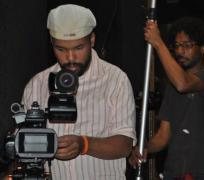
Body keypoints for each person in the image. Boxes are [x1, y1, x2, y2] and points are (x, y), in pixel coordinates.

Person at [21, 4, 136, 180]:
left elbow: (125, 144)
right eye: (61, 49)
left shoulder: (116, 80)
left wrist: (84, 144)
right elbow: (24, 142)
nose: (71, 58)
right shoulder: (37, 84)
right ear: (51, 43)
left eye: (78, 48)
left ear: (92, 40)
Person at [129, 17, 204, 180]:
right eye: (177, 46)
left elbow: (184, 84)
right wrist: (143, 148)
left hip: (202, 173)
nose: (180, 51)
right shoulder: (172, 85)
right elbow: (163, 136)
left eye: (187, 45)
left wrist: (158, 43)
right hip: (172, 173)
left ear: (203, 47)